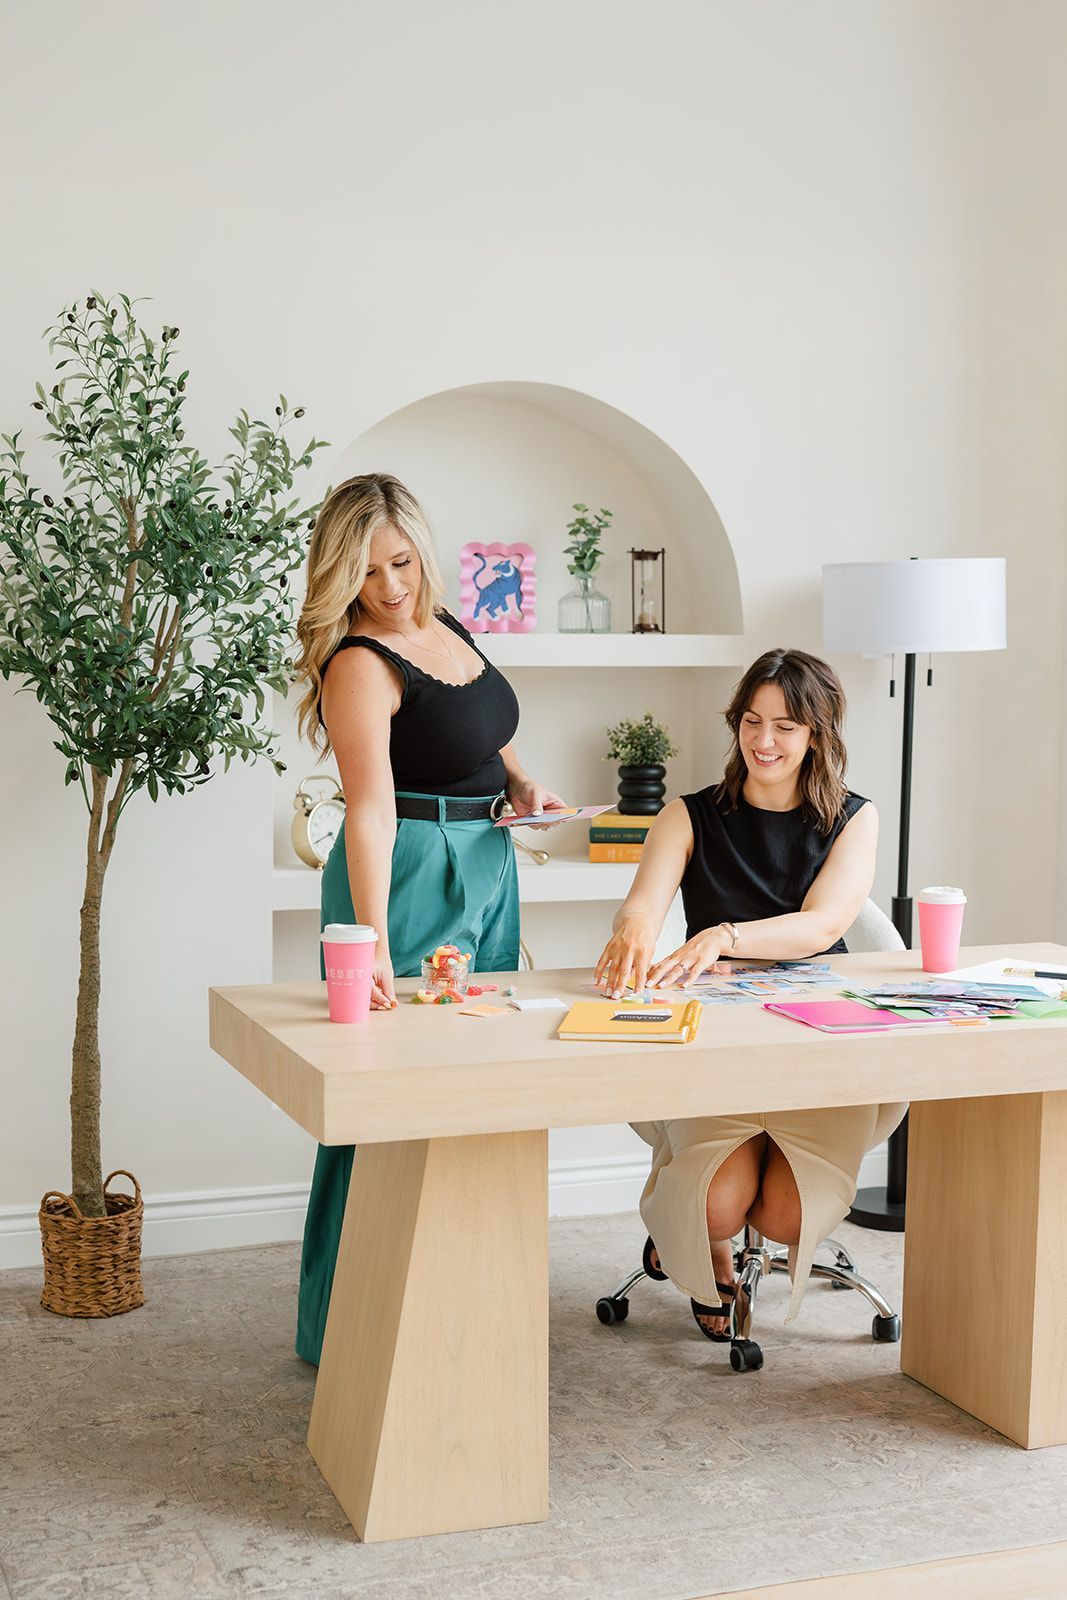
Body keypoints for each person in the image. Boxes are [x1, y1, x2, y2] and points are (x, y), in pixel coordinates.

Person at [291, 473, 565, 1364]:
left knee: (480, 1073)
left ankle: (455, 1304)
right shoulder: (360, 664)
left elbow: (482, 726)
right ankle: (341, 1328)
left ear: (422, 550)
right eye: (367, 573)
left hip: (486, 860)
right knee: (387, 1093)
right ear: (340, 577)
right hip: (407, 869)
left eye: (401, 562)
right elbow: (369, 811)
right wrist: (365, 942)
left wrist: (520, 783)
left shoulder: (445, 625)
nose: (391, 587)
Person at [593, 648, 906, 1339]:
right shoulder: (689, 815)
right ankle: (698, 1243)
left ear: (817, 734)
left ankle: (713, 1217)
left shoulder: (854, 817)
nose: (763, 741)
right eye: (751, 722)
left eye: (786, 727)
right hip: (719, 1044)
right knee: (715, 1207)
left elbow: (822, 925)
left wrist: (722, 937)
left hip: (815, 1040)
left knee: (790, 1217)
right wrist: (633, 930)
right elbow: (642, 904)